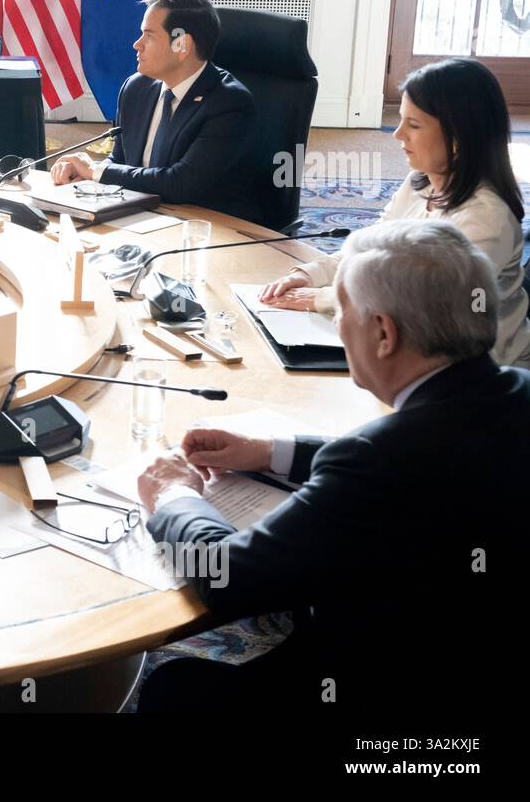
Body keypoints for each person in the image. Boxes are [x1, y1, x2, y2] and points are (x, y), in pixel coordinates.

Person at [135, 220, 524, 710]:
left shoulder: (374, 460)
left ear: (383, 333)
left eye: (342, 310)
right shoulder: (512, 389)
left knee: (176, 690)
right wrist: (269, 449)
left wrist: (173, 492)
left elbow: (228, 577)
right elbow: (434, 456)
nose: (338, 324)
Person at [260, 57, 530, 368]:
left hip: (481, 373)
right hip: (418, 349)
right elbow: (369, 251)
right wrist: (308, 274)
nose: (397, 134)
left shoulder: (486, 218)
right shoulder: (420, 184)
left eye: (413, 125)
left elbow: (422, 304)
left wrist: (321, 300)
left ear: (458, 138)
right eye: (401, 120)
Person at [50, 0, 263, 224]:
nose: (137, 44)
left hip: (203, 229)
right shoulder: (136, 88)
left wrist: (95, 171)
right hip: (139, 217)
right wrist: (87, 175)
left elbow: (180, 183)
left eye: (149, 36)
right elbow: (121, 158)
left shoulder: (229, 103)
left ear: (182, 44)